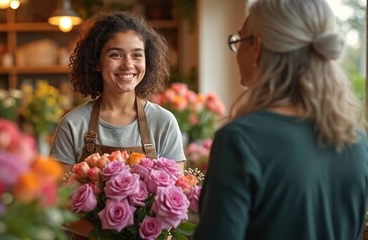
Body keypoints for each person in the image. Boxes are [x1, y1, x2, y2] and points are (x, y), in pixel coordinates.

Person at [194, 0, 368, 239]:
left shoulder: (240, 140)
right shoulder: (357, 140)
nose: (237, 52)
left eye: (239, 40)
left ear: (256, 46)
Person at [50, 11, 186, 238]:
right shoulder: (73, 125)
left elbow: (177, 201)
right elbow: (58, 204)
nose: (128, 65)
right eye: (116, 55)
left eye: (136, 55)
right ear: (96, 62)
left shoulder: (163, 122)